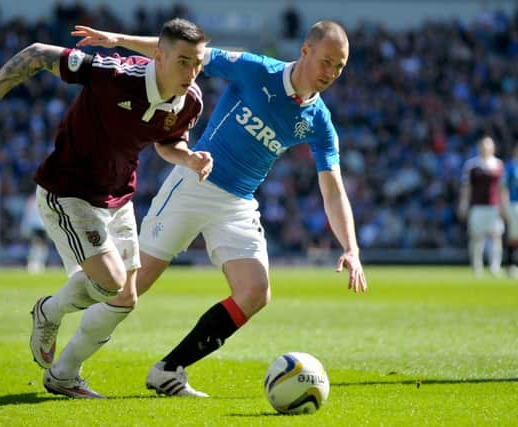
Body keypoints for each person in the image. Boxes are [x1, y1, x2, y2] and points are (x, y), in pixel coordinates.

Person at [69, 20, 367, 398]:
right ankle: (67, 362)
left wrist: (351, 248)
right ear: (305, 51)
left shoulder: (319, 122)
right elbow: (182, 54)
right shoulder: (257, 69)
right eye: (327, 62)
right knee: (131, 286)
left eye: (339, 67)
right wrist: (117, 41)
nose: (331, 74)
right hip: (194, 184)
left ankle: (168, 370)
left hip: (239, 203)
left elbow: (333, 187)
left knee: (255, 292)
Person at [0, 18, 212, 399]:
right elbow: (38, 54)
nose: (192, 72)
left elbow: (168, 141)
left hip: (118, 196)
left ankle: (64, 375)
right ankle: (49, 313)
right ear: (159, 55)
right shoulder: (113, 74)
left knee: (125, 297)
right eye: (184, 61)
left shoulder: (191, 101)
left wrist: (188, 158)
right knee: (109, 282)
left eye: (199, 63)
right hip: (68, 190)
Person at [459, 136, 507, 277]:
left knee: (496, 236)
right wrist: (463, 204)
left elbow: (502, 188)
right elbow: (466, 187)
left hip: (494, 206)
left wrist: (503, 206)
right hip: (477, 206)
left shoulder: (498, 164)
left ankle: (495, 266)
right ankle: (477, 266)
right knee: (476, 237)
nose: (485, 149)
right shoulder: (472, 165)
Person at [21, 193, 50, 274]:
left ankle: (39, 263)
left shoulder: (45, 199)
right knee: (36, 245)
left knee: (42, 246)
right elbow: (28, 214)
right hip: (36, 225)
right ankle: (33, 264)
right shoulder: (32, 200)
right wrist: (25, 226)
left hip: (42, 226)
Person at [503, 144, 518, 277]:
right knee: (514, 236)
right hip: (514, 204)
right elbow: (504, 187)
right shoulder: (511, 166)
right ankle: (511, 264)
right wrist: (505, 205)